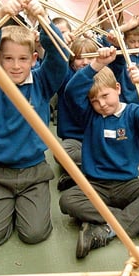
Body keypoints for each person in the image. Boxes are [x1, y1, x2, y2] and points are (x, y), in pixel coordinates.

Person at [0, 0, 68, 247]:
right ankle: (4, 204)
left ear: (34, 59)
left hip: (34, 172)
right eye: (8, 58)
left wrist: (44, 22)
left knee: (34, 234)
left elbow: (59, 56)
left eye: (23, 59)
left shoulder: (42, 83)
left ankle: (28, 204)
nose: (16, 66)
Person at [59, 48, 139, 258]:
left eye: (105, 96)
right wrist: (97, 64)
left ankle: (106, 229)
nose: (101, 104)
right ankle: (137, 220)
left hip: (126, 184)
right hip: (95, 184)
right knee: (67, 200)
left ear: (117, 88)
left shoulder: (133, 113)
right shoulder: (89, 115)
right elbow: (71, 91)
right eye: (94, 100)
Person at [54, 37, 100, 192]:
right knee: (62, 154)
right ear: (71, 60)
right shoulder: (65, 77)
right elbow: (55, 63)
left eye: (90, 57)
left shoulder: (101, 77)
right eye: (80, 58)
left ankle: (81, 176)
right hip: (74, 140)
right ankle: (101, 170)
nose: (85, 62)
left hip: (98, 137)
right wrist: (61, 48)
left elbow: (118, 66)